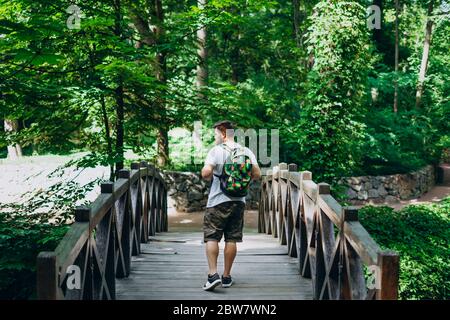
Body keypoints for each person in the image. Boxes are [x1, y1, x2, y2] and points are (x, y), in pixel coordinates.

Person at [200, 120, 261, 291]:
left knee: (212, 237)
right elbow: (257, 174)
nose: (215, 137)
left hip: (217, 201)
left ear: (223, 133)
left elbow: (206, 174)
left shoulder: (216, 151)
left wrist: (208, 170)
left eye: (216, 134)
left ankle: (213, 275)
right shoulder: (246, 151)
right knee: (232, 238)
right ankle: (226, 277)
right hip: (239, 201)